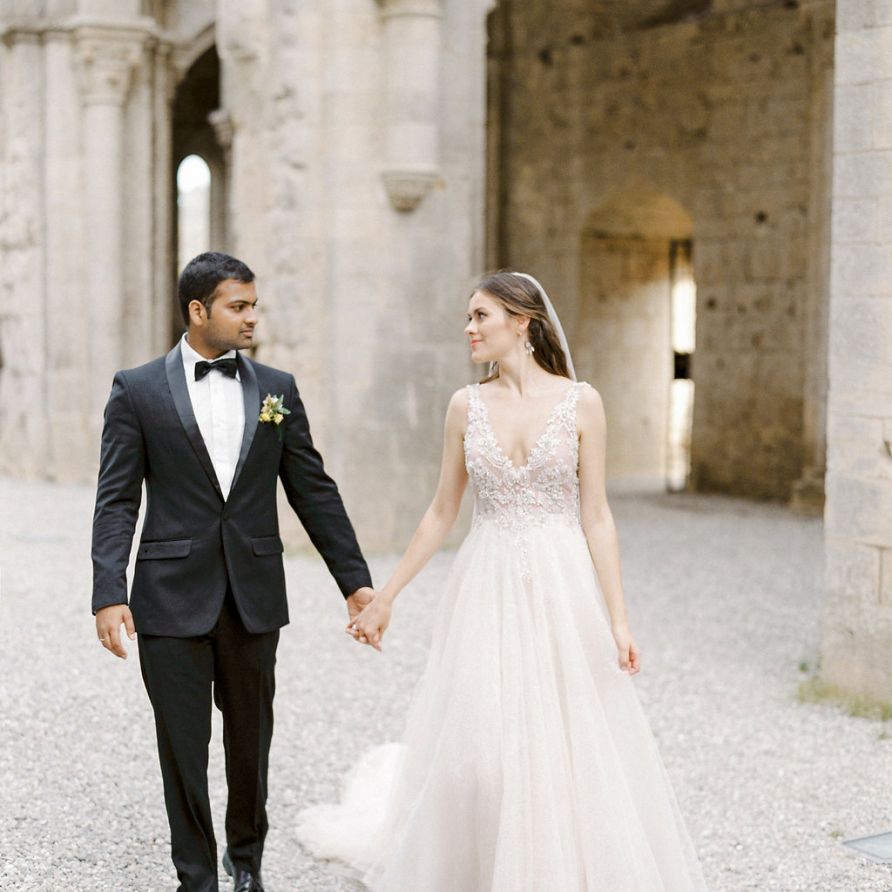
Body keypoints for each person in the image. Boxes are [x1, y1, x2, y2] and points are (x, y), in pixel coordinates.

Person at [295, 271, 708, 890]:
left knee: (565, 739)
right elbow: (441, 512)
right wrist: (386, 596)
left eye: (480, 316)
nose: (469, 328)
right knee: (480, 749)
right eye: (468, 317)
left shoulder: (582, 402)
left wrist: (618, 618)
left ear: (523, 322)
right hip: (485, 584)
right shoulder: (465, 406)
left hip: (560, 585)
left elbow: (596, 515)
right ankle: (478, 862)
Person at [91, 252, 375, 892]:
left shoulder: (277, 389)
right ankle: (197, 876)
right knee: (183, 752)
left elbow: (313, 491)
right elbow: (117, 499)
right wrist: (109, 593)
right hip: (167, 600)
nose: (252, 317)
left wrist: (354, 582)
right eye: (237, 307)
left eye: (253, 305)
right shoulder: (135, 390)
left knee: (251, 744)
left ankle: (246, 862)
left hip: (252, 597)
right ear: (199, 311)